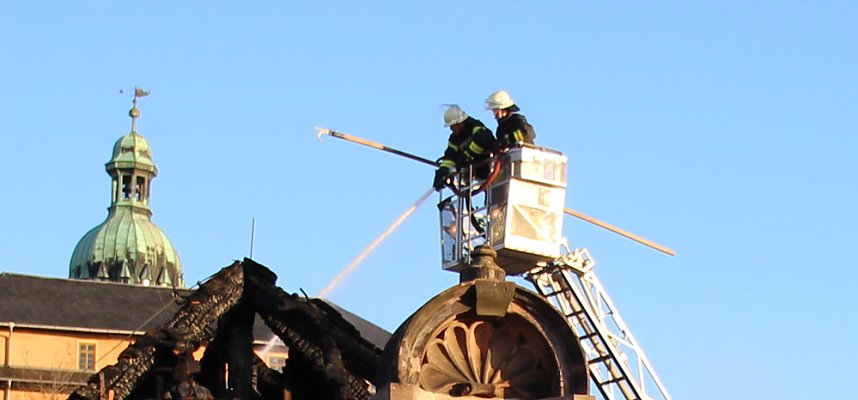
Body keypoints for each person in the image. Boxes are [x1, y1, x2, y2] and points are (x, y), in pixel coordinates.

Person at [433, 105, 498, 190]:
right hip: (472, 171)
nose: (451, 129)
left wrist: (466, 155)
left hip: (489, 166)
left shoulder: (476, 128)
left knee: (490, 190)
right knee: (467, 190)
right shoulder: (454, 139)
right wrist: (443, 171)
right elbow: (450, 156)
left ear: (460, 123)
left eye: (453, 126)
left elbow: (483, 140)